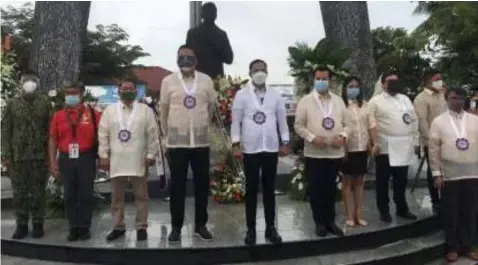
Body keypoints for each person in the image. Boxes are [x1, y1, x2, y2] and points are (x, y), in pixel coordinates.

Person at [159, 45, 217, 244]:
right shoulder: (168, 81)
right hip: (177, 143)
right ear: (177, 59)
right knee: (177, 187)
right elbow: (163, 110)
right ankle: (176, 227)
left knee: (202, 185)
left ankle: (201, 226)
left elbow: (210, 108)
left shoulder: (206, 80)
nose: (185, 60)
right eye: (181, 56)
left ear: (196, 60)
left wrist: (201, 125)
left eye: (189, 56)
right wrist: (167, 136)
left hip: (200, 142)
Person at [231, 59, 290, 245]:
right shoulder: (241, 95)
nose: (259, 72)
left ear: (267, 72)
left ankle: (270, 228)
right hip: (250, 148)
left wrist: (285, 141)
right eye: (256, 70)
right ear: (250, 73)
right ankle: (250, 229)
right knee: (251, 190)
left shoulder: (275, 95)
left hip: (270, 147)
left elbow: (282, 120)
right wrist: (235, 144)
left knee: (269, 189)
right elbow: (235, 121)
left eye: (262, 69)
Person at [98, 79, 159, 241]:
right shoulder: (109, 111)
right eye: (124, 89)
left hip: (138, 160)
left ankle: (141, 226)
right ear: (118, 92)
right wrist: (103, 155)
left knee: (141, 196)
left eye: (131, 88)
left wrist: (151, 155)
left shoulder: (145, 110)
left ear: (136, 91)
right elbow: (103, 134)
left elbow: (153, 134)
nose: (127, 91)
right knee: (117, 197)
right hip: (116, 160)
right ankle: (118, 226)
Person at [294, 65, 348, 237]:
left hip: (335, 152)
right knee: (317, 189)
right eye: (318, 78)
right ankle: (320, 223)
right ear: (313, 80)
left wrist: (343, 136)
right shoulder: (305, 101)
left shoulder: (338, 100)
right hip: (314, 154)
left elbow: (348, 124)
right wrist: (311, 138)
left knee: (331, 189)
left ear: (330, 80)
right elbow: (298, 126)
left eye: (325, 78)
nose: (321, 81)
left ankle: (331, 221)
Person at [428, 86, 478, 263]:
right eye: (453, 98)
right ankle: (452, 247)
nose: (457, 101)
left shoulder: (474, 120)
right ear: (447, 100)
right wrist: (436, 174)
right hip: (449, 175)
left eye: (459, 98)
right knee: (451, 213)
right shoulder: (438, 122)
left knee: (470, 212)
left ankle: (470, 245)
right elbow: (433, 149)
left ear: (464, 99)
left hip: (472, 173)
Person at [1, 72, 51, 239]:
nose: (29, 84)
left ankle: (38, 224)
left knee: (38, 192)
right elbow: (6, 130)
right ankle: (21, 225)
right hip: (18, 156)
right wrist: (6, 154)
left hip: (38, 155)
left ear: (38, 83)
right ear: (20, 83)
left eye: (33, 81)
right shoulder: (12, 104)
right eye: (26, 81)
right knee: (20, 192)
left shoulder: (44, 103)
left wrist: (49, 155)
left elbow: (49, 130)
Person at [49, 82, 101, 241]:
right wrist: (52, 162)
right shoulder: (58, 116)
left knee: (85, 194)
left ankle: (85, 227)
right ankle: (73, 227)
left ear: (82, 94)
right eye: (68, 93)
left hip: (86, 157)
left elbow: (102, 136)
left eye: (74, 92)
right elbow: (52, 140)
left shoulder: (93, 114)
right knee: (69, 194)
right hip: (66, 158)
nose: (71, 95)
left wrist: (103, 158)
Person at [368, 71, 418, 223]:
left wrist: (416, 141)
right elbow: (371, 123)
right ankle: (384, 210)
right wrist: (374, 143)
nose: (394, 84)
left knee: (401, 181)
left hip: (404, 146)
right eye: (390, 81)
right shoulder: (375, 101)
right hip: (385, 147)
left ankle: (402, 208)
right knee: (383, 181)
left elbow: (413, 120)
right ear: (383, 83)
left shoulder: (405, 99)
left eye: (396, 81)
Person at [340, 76, 378, 227]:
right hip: (347, 149)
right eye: (350, 86)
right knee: (347, 183)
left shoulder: (365, 105)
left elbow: (372, 125)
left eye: (356, 86)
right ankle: (349, 215)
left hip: (363, 149)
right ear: (344, 88)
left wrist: (375, 143)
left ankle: (358, 214)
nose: (353, 89)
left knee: (360, 183)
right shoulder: (341, 106)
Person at [413, 70, 447, 214]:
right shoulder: (421, 99)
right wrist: (431, 141)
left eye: (440, 78)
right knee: (433, 170)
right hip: (432, 141)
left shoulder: (442, 95)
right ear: (428, 81)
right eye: (437, 79)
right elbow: (422, 123)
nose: (440, 81)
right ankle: (435, 200)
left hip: (448, 139)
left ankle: (446, 198)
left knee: (446, 169)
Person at [186, 2, 233, 79]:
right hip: (208, 80)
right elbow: (229, 59)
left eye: (212, 12)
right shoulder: (221, 34)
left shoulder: (192, 33)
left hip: (208, 80)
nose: (210, 14)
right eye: (209, 12)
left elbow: (229, 59)